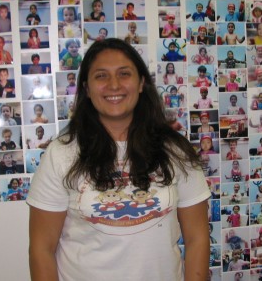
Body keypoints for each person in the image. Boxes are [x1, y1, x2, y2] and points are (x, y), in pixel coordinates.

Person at [27, 38, 210, 281]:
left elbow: (197, 238)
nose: (114, 85)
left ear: (141, 83)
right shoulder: (61, 153)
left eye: (124, 74)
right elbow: (41, 249)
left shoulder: (175, 150)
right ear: (87, 88)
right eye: (101, 76)